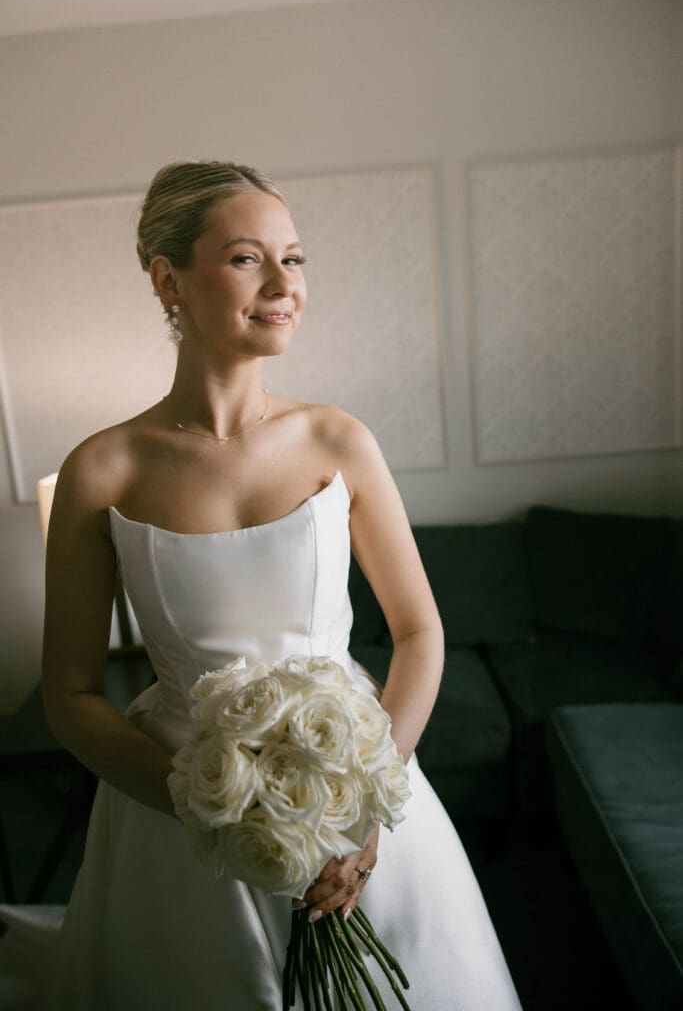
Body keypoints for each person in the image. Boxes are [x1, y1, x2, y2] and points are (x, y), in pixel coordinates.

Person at [4, 161, 523, 1009]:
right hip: (178, 811)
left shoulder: (337, 440)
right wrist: (214, 810)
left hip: (353, 779)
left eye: (295, 258)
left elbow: (419, 633)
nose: (285, 284)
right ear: (168, 280)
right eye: (247, 258)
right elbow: (71, 695)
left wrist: (364, 805)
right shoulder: (103, 469)